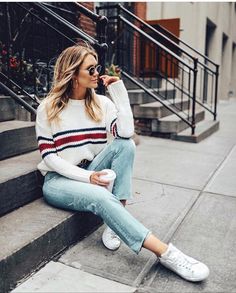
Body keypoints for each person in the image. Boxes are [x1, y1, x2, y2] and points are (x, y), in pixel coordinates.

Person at [36, 44, 209, 282]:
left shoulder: (101, 104)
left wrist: (119, 91)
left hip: (92, 168)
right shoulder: (48, 108)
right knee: (100, 197)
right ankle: (166, 253)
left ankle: (115, 224)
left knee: (125, 145)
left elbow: (126, 133)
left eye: (97, 67)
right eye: (91, 69)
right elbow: (50, 158)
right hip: (59, 181)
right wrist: (88, 178)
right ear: (73, 73)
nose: (97, 72)